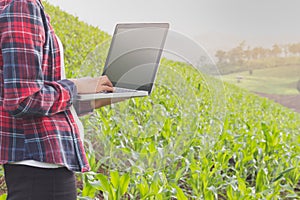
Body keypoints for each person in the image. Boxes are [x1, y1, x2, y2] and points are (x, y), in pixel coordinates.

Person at [0, 0, 122, 199]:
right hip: (41, 169)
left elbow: (21, 94)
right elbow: (23, 100)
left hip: (37, 168)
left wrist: (90, 99)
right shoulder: (22, 6)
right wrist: (74, 86)